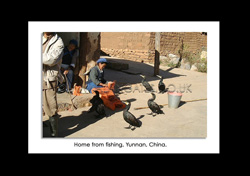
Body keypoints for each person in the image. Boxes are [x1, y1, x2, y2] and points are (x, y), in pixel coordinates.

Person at [42, 32, 64, 137]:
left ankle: (53, 134)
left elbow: (51, 59)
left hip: (48, 78)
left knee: (51, 106)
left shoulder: (58, 42)